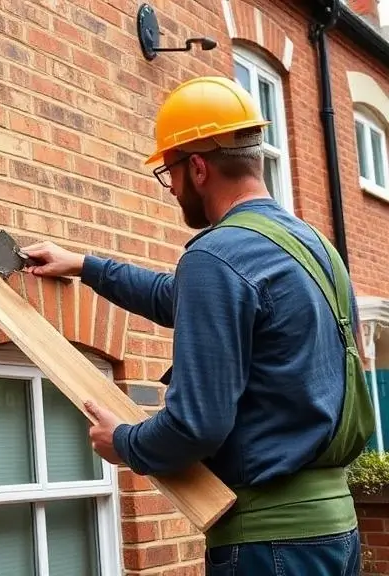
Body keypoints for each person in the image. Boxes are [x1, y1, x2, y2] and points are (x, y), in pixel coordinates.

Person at [21, 76, 375, 575]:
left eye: (169, 173)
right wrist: (82, 263)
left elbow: (195, 427)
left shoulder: (217, 255)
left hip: (268, 545)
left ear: (199, 168)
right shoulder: (313, 248)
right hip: (335, 535)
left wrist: (123, 442)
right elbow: (178, 297)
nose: (172, 189)